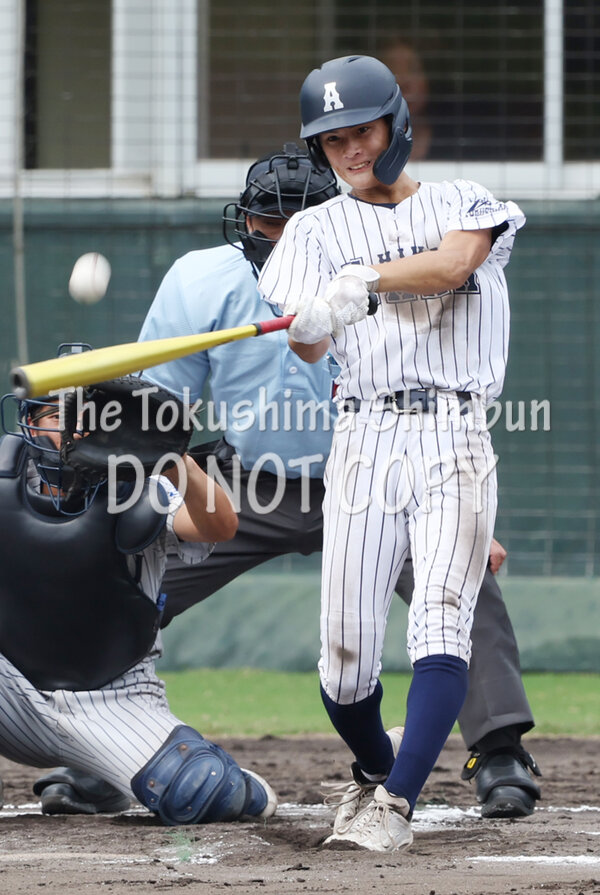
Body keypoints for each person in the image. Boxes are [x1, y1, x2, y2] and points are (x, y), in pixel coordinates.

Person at [36, 144, 540, 823]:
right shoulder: (200, 279)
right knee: (128, 577)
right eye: (266, 222)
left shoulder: (380, 271)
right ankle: (102, 750)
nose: (279, 236)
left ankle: (499, 749)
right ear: (243, 221)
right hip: (250, 482)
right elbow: (161, 410)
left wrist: (460, 513)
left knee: (462, 587)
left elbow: (431, 391)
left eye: (295, 222)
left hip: (380, 472)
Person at [257, 55, 533, 851]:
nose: (351, 150)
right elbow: (308, 345)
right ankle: (378, 770)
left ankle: (396, 804)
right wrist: (315, 320)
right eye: (333, 140)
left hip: (454, 431)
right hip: (365, 435)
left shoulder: (462, 199)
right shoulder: (312, 230)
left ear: (397, 125)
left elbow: (453, 264)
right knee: (344, 663)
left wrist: (366, 281)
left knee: (441, 621)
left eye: (364, 131)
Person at [0, 386, 277, 826]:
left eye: (88, 417)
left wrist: (176, 461)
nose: (75, 429)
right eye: (58, 416)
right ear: (30, 424)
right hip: (12, 694)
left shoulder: (142, 486)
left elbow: (219, 527)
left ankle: (218, 783)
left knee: (202, 791)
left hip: (116, 700)